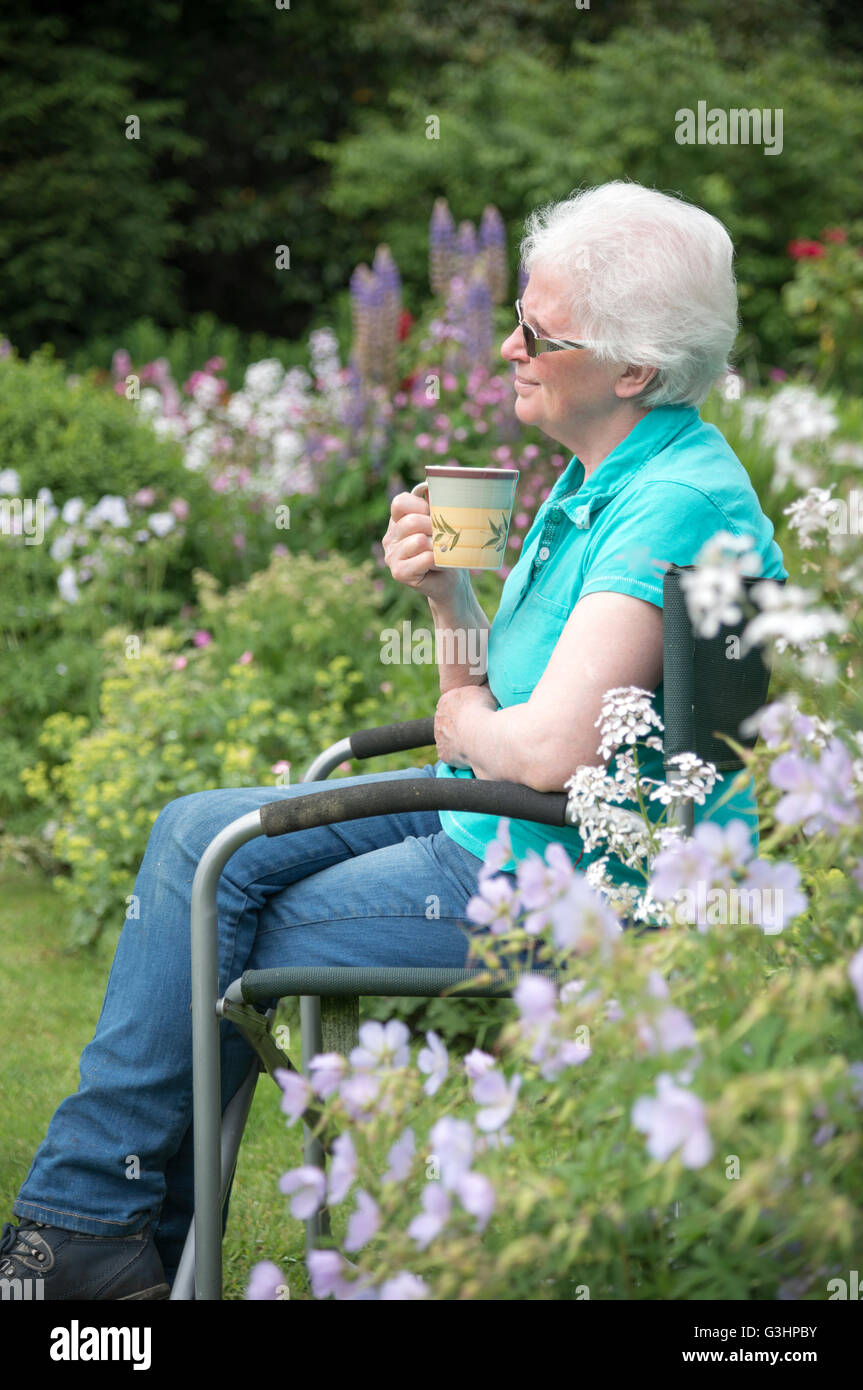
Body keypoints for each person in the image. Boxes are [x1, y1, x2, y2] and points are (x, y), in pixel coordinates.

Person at [0, 180, 787, 1299]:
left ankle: (90, 1236)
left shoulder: (670, 502)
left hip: (554, 870)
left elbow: (551, 748)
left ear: (633, 370)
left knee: (217, 899)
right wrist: (445, 601)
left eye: (536, 330)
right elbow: (498, 709)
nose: (506, 344)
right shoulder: (602, 482)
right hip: (498, 813)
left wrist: (460, 721)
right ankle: (106, 1233)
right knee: (193, 840)